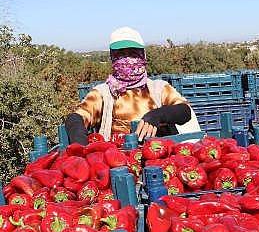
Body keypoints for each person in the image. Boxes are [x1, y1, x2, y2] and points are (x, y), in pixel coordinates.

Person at [65, 27, 196, 145]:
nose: (127, 59)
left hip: (159, 156)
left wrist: (158, 115)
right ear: (112, 57)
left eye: (133, 53)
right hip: (117, 162)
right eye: (120, 54)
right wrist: (81, 150)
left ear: (143, 55)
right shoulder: (103, 93)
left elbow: (185, 110)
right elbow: (77, 118)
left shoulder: (158, 88)